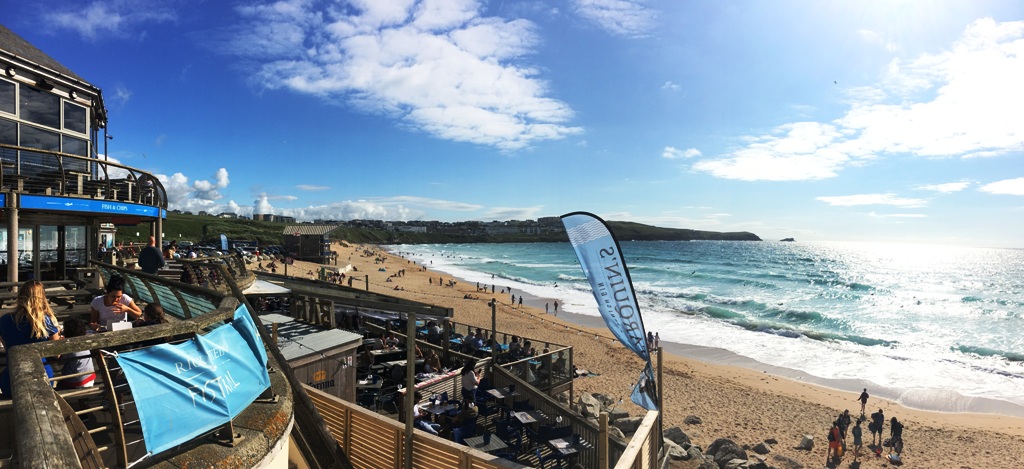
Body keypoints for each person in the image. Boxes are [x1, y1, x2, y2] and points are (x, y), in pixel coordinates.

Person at [0, 281, 63, 398]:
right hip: (41, 379)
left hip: (12, 381)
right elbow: (57, 354)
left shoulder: (4, 320)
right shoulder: (45, 322)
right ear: (42, 298)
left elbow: (6, 345)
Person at [56, 318, 95, 390]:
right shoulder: (85, 341)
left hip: (77, 382)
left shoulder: (70, 347)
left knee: (59, 385)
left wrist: (61, 343)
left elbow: (60, 361)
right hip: (90, 378)